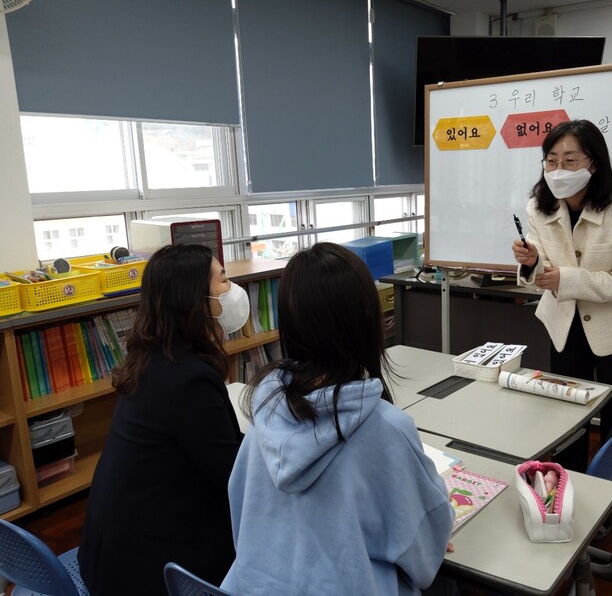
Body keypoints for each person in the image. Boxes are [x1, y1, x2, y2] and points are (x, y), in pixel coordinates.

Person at [221, 242, 455, 596]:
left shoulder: (263, 415)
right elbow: (423, 556)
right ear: (365, 321)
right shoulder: (386, 429)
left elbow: (242, 528)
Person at [79, 244, 247, 595]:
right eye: (223, 279)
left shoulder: (152, 359)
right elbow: (235, 479)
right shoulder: (189, 380)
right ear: (196, 300)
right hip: (145, 573)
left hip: (106, 554)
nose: (231, 289)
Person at [511, 119, 612, 511]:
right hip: (565, 324)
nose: (558, 170)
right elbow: (541, 274)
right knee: (567, 417)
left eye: (570, 159)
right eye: (551, 160)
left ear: (593, 162)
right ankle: (567, 493)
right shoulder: (537, 207)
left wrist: (564, 277)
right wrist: (531, 263)